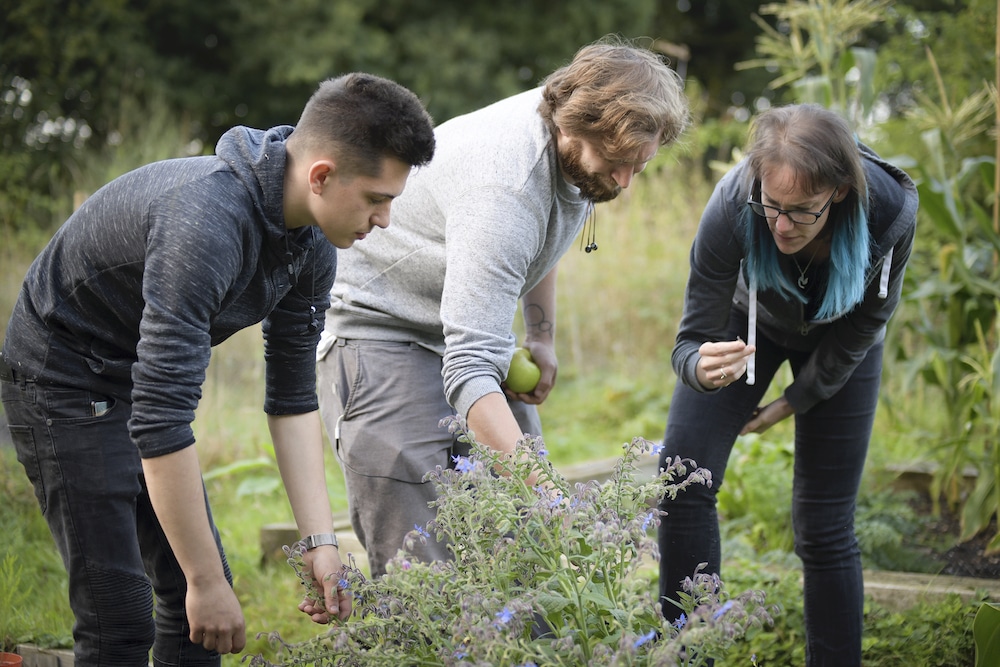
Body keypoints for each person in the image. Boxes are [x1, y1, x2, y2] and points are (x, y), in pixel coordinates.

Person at [0, 72, 435, 667]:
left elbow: (292, 397)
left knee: (195, 605)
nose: (384, 219)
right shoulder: (205, 226)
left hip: (131, 378)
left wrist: (319, 542)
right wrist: (205, 581)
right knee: (120, 619)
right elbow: (161, 419)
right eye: (376, 198)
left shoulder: (312, 244)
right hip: (61, 378)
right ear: (322, 175)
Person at [316, 37, 690, 578]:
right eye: (617, 162)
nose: (626, 182)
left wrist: (541, 336)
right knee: (424, 562)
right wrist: (559, 500)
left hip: (457, 322)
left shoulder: (580, 151)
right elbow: (470, 366)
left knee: (525, 538)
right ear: (571, 126)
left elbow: (541, 236)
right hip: (379, 329)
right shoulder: (505, 185)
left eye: (641, 165)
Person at [656, 103, 918, 666]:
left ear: (840, 192)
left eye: (801, 212)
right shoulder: (733, 202)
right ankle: (690, 652)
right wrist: (700, 368)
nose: (780, 226)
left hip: (843, 340)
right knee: (680, 477)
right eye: (771, 206)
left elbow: (869, 323)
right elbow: (690, 338)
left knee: (824, 526)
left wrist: (792, 402)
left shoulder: (889, 213)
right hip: (750, 324)